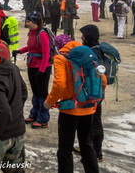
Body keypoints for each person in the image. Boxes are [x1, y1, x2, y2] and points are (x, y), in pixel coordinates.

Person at [44, 36, 105, 173]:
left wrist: (49, 102)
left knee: (65, 147)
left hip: (69, 110)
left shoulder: (61, 58)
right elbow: (103, 79)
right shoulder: (88, 55)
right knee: (87, 145)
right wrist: (94, 99)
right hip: (88, 108)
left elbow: (60, 84)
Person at [12, 11, 52, 129]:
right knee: (35, 91)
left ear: (35, 22)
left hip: (41, 66)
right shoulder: (32, 33)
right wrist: (20, 51)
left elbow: (46, 53)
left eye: (28, 21)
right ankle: (34, 114)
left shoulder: (42, 34)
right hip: (32, 65)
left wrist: (43, 69)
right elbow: (31, 47)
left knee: (42, 93)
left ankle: (43, 119)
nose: (26, 23)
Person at [79, 24, 106, 162]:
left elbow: (98, 75)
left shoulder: (94, 53)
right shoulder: (95, 49)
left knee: (94, 122)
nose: (81, 37)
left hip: (94, 93)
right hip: (96, 92)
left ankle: (96, 152)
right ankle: (94, 151)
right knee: (94, 121)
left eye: (83, 35)